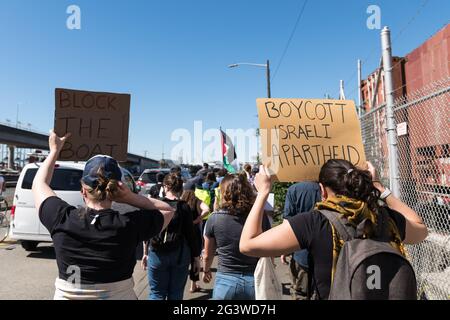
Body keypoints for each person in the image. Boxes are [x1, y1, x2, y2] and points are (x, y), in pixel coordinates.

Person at [240, 159, 428, 300]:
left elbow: (248, 245)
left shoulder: (314, 222)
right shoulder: (384, 217)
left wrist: (263, 192)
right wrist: (380, 187)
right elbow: (420, 229)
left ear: (322, 190)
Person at [33, 131, 175, 300]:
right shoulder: (129, 225)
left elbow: (39, 184)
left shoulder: (62, 218)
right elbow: (168, 210)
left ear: (83, 190)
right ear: (115, 190)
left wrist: (55, 150)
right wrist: (130, 197)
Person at [203, 174, 270, 300]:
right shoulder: (260, 216)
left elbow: (208, 255)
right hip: (255, 280)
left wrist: (206, 271)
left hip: (225, 280)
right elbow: (268, 248)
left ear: (223, 192)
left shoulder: (214, 218)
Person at [142, 173, 201, 300]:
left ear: (165, 187)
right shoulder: (184, 206)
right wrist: (196, 257)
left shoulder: (156, 204)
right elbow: (191, 235)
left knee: (156, 293)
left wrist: (145, 252)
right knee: (176, 293)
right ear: (180, 189)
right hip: (179, 254)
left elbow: (147, 232)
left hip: (156, 254)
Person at [281, 182, 321, 300]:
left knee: (299, 292)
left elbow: (287, 222)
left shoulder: (294, 190)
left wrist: (285, 248)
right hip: (323, 251)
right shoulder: (325, 189)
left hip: (300, 250)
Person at [180, 182, 210, 293]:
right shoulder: (196, 200)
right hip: (194, 233)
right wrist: (198, 220)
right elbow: (207, 210)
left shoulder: (180, 201)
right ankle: (193, 285)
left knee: (182, 257)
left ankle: (180, 283)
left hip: (182, 233)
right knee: (195, 259)